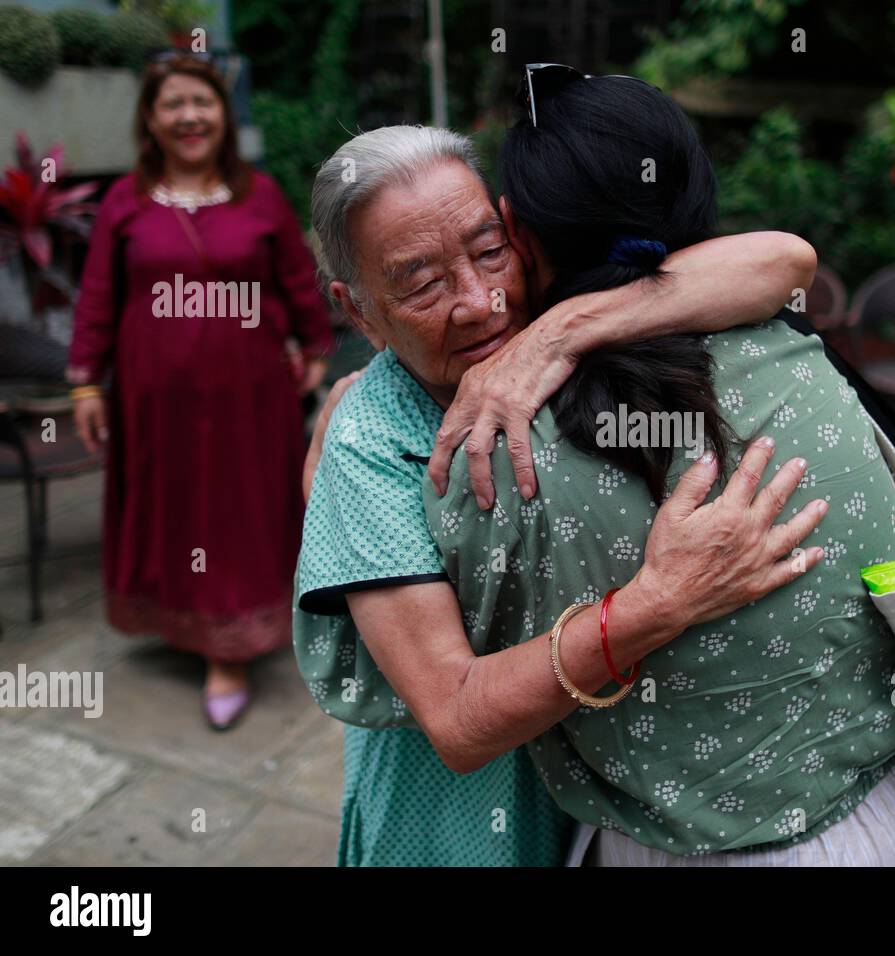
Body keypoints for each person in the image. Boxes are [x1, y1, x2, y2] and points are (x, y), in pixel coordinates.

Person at [420, 68, 895, 865]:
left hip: (695, 849)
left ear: (517, 233)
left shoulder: (500, 460)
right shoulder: (800, 357)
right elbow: (786, 256)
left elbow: (459, 700)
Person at [296, 124, 824, 866]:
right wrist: (656, 604)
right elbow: (454, 716)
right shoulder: (368, 448)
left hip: (607, 791)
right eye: (422, 284)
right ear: (359, 314)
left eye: (488, 252)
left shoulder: (542, 319)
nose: (480, 304)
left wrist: (560, 333)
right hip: (464, 816)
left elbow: (786, 261)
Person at [67, 54, 334, 730]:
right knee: (177, 509)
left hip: (248, 397)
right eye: (173, 104)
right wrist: (83, 386)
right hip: (155, 400)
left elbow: (298, 281)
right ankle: (179, 619)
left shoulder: (262, 196)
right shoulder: (124, 203)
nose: (190, 117)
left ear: (224, 114)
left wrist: (314, 345)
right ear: (151, 121)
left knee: (236, 511)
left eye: (203, 102)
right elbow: (98, 296)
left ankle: (230, 647)